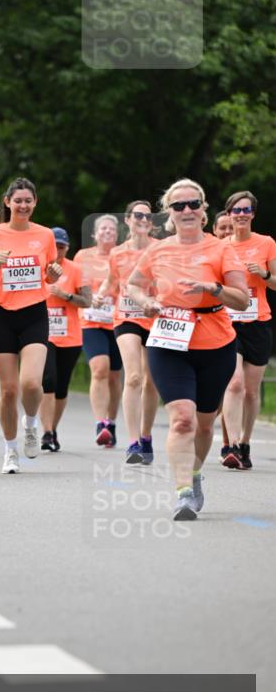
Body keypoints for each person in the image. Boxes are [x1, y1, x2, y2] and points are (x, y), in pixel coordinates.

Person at [127, 178, 248, 520]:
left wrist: (213, 287)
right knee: (182, 420)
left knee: (205, 424)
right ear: (169, 213)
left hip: (215, 342)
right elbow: (134, 285)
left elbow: (241, 300)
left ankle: (194, 475)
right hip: (168, 341)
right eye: (179, 206)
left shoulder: (221, 249)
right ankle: (183, 493)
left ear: (204, 209)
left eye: (193, 204)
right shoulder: (158, 249)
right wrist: (146, 301)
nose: (187, 210)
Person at [0, 177, 58, 474]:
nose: (23, 205)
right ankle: (10, 450)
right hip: (1, 314)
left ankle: (31, 424)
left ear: (35, 203)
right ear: (7, 202)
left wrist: (55, 274)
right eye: (17, 200)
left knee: (31, 383)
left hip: (34, 312)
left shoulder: (45, 235)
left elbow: (49, 276)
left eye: (28, 201)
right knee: (8, 391)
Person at [94, 201, 159, 464]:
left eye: (147, 215)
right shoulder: (118, 253)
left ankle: (145, 436)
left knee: (150, 381)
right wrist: (99, 295)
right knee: (132, 376)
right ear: (128, 220)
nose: (142, 219)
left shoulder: (160, 250)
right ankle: (133, 442)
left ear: (151, 223)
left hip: (155, 318)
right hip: (127, 317)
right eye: (137, 215)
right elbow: (111, 280)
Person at [221, 191, 276, 469]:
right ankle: (229, 445)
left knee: (252, 393)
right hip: (229, 323)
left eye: (246, 210)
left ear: (253, 214)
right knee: (234, 383)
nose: (241, 215)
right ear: (229, 214)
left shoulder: (266, 243)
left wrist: (264, 274)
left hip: (258, 322)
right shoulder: (221, 247)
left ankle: (244, 443)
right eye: (236, 210)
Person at [40, 227, 90, 452]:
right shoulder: (38, 268)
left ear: (67, 247)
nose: (58, 251)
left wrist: (66, 295)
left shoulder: (77, 269)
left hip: (70, 336)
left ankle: (53, 428)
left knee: (61, 388)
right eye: (54, 246)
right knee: (48, 381)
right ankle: (46, 432)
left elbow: (87, 301)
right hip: (44, 334)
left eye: (61, 246)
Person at [74, 215, 122, 448]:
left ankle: (111, 422)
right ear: (94, 234)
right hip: (91, 322)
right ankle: (100, 423)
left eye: (112, 229)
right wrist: (90, 299)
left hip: (118, 322)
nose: (107, 232)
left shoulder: (122, 255)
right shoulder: (84, 256)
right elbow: (76, 284)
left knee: (114, 375)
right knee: (99, 369)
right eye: (103, 228)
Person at [212, 212, 233, 454]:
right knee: (217, 392)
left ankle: (230, 445)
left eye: (230, 228)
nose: (227, 232)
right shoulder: (209, 255)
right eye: (223, 229)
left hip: (240, 325)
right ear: (214, 231)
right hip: (213, 328)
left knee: (233, 386)